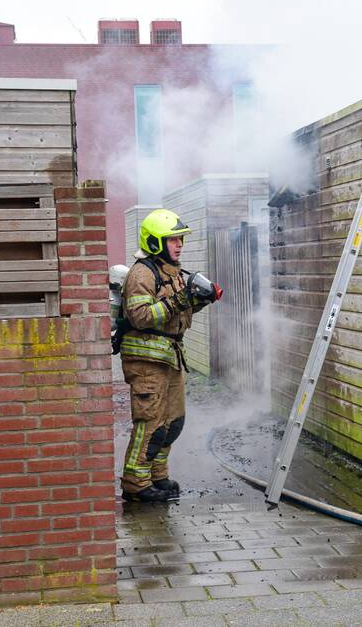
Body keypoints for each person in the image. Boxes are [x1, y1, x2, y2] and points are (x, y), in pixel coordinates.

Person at [119, 209, 217, 503]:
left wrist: (199, 300)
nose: (179, 245)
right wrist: (179, 300)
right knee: (150, 421)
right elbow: (140, 317)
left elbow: (177, 312)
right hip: (147, 361)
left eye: (180, 239)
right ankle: (135, 483)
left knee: (173, 421)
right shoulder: (142, 273)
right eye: (172, 239)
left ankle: (156, 475)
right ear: (155, 242)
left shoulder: (172, 272)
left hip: (170, 357)